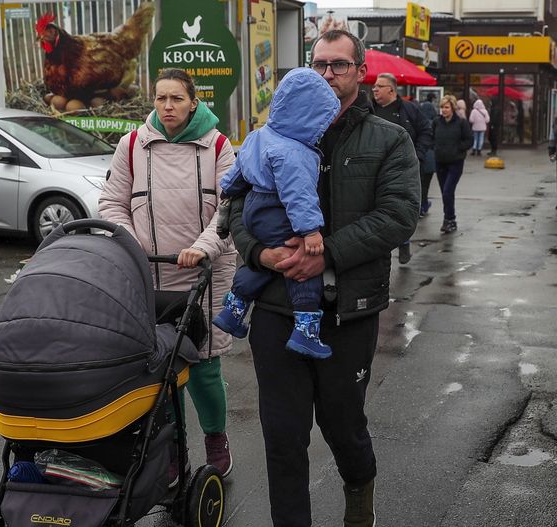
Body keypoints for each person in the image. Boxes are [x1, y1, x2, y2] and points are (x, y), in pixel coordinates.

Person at [229, 29, 419, 526]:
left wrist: (327, 253)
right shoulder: (270, 134)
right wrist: (260, 255)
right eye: (318, 64)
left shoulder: (388, 138)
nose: (327, 74)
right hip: (275, 309)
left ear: (360, 71)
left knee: (344, 427)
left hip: (348, 313)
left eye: (337, 65)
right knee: (283, 438)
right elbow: (234, 207)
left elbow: (399, 215)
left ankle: (360, 500)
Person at [99, 68, 238, 483]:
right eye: (161, 99)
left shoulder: (217, 146)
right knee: (160, 367)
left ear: (193, 102)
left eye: (176, 98)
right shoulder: (131, 146)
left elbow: (229, 209)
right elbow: (111, 203)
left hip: (205, 269)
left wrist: (202, 247)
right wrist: (130, 246)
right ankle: (173, 449)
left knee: (204, 364)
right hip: (150, 272)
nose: (167, 106)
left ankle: (216, 438)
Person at [212, 67, 339, 360]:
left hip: (254, 209)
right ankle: (306, 331)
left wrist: (228, 189)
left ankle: (234, 307)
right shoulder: (294, 152)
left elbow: (238, 172)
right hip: (277, 211)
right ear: (308, 115)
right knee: (299, 266)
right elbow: (298, 196)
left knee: (264, 265)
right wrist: (310, 231)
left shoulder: (259, 135)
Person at [371, 72, 432, 264]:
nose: (374, 89)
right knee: (376, 210)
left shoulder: (409, 109)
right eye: (374, 86)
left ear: (391, 89)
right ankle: (379, 249)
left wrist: (418, 155)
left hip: (402, 169)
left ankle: (404, 242)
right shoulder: (369, 110)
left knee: (400, 208)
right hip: (375, 169)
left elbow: (426, 130)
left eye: (379, 86)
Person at [433, 94, 473, 234]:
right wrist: (436, 148)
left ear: (453, 108)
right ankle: (449, 220)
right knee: (446, 193)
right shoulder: (437, 122)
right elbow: (432, 137)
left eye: (446, 107)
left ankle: (449, 219)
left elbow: (469, 140)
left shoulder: (461, 123)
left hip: (455, 162)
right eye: (442, 107)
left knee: (447, 191)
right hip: (440, 162)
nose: (443, 110)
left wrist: (457, 148)